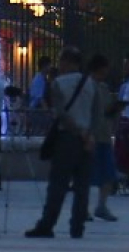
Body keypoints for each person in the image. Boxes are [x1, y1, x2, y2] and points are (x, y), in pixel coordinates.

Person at [26, 46, 101, 240]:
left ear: (67, 62)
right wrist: (89, 135)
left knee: (58, 184)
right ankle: (77, 227)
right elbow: (96, 114)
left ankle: (47, 224)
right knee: (82, 186)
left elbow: (61, 114)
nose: (58, 65)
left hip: (67, 139)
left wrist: (79, 132)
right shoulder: (91, 83)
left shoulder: (58, 84)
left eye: (60, 61)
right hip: (87, 141)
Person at [87, 53, 119, 222]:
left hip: (105, 135)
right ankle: (83, 207)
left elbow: (106, 109)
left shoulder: (104, 88)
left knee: (108, 173)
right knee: (86, 174)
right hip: (92, 135)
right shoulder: (87, 87)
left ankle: (101, 205)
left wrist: (115, 110)